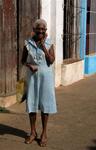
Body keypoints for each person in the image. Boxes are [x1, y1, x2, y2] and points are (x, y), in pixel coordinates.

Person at [21, 19, 57, 147]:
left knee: (45, 105)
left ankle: (44, 133)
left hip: (46, 79)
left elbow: (51, 60)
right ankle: (32, 132)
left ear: (45, 30)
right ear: (34, 29)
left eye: (43, 29)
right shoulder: (27, 43)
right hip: (32, 78)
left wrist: (43, 47)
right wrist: (29, 65)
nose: (41, 31)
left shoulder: (49, 43)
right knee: (31, 105)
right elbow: (22, 61)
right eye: (38, 29)